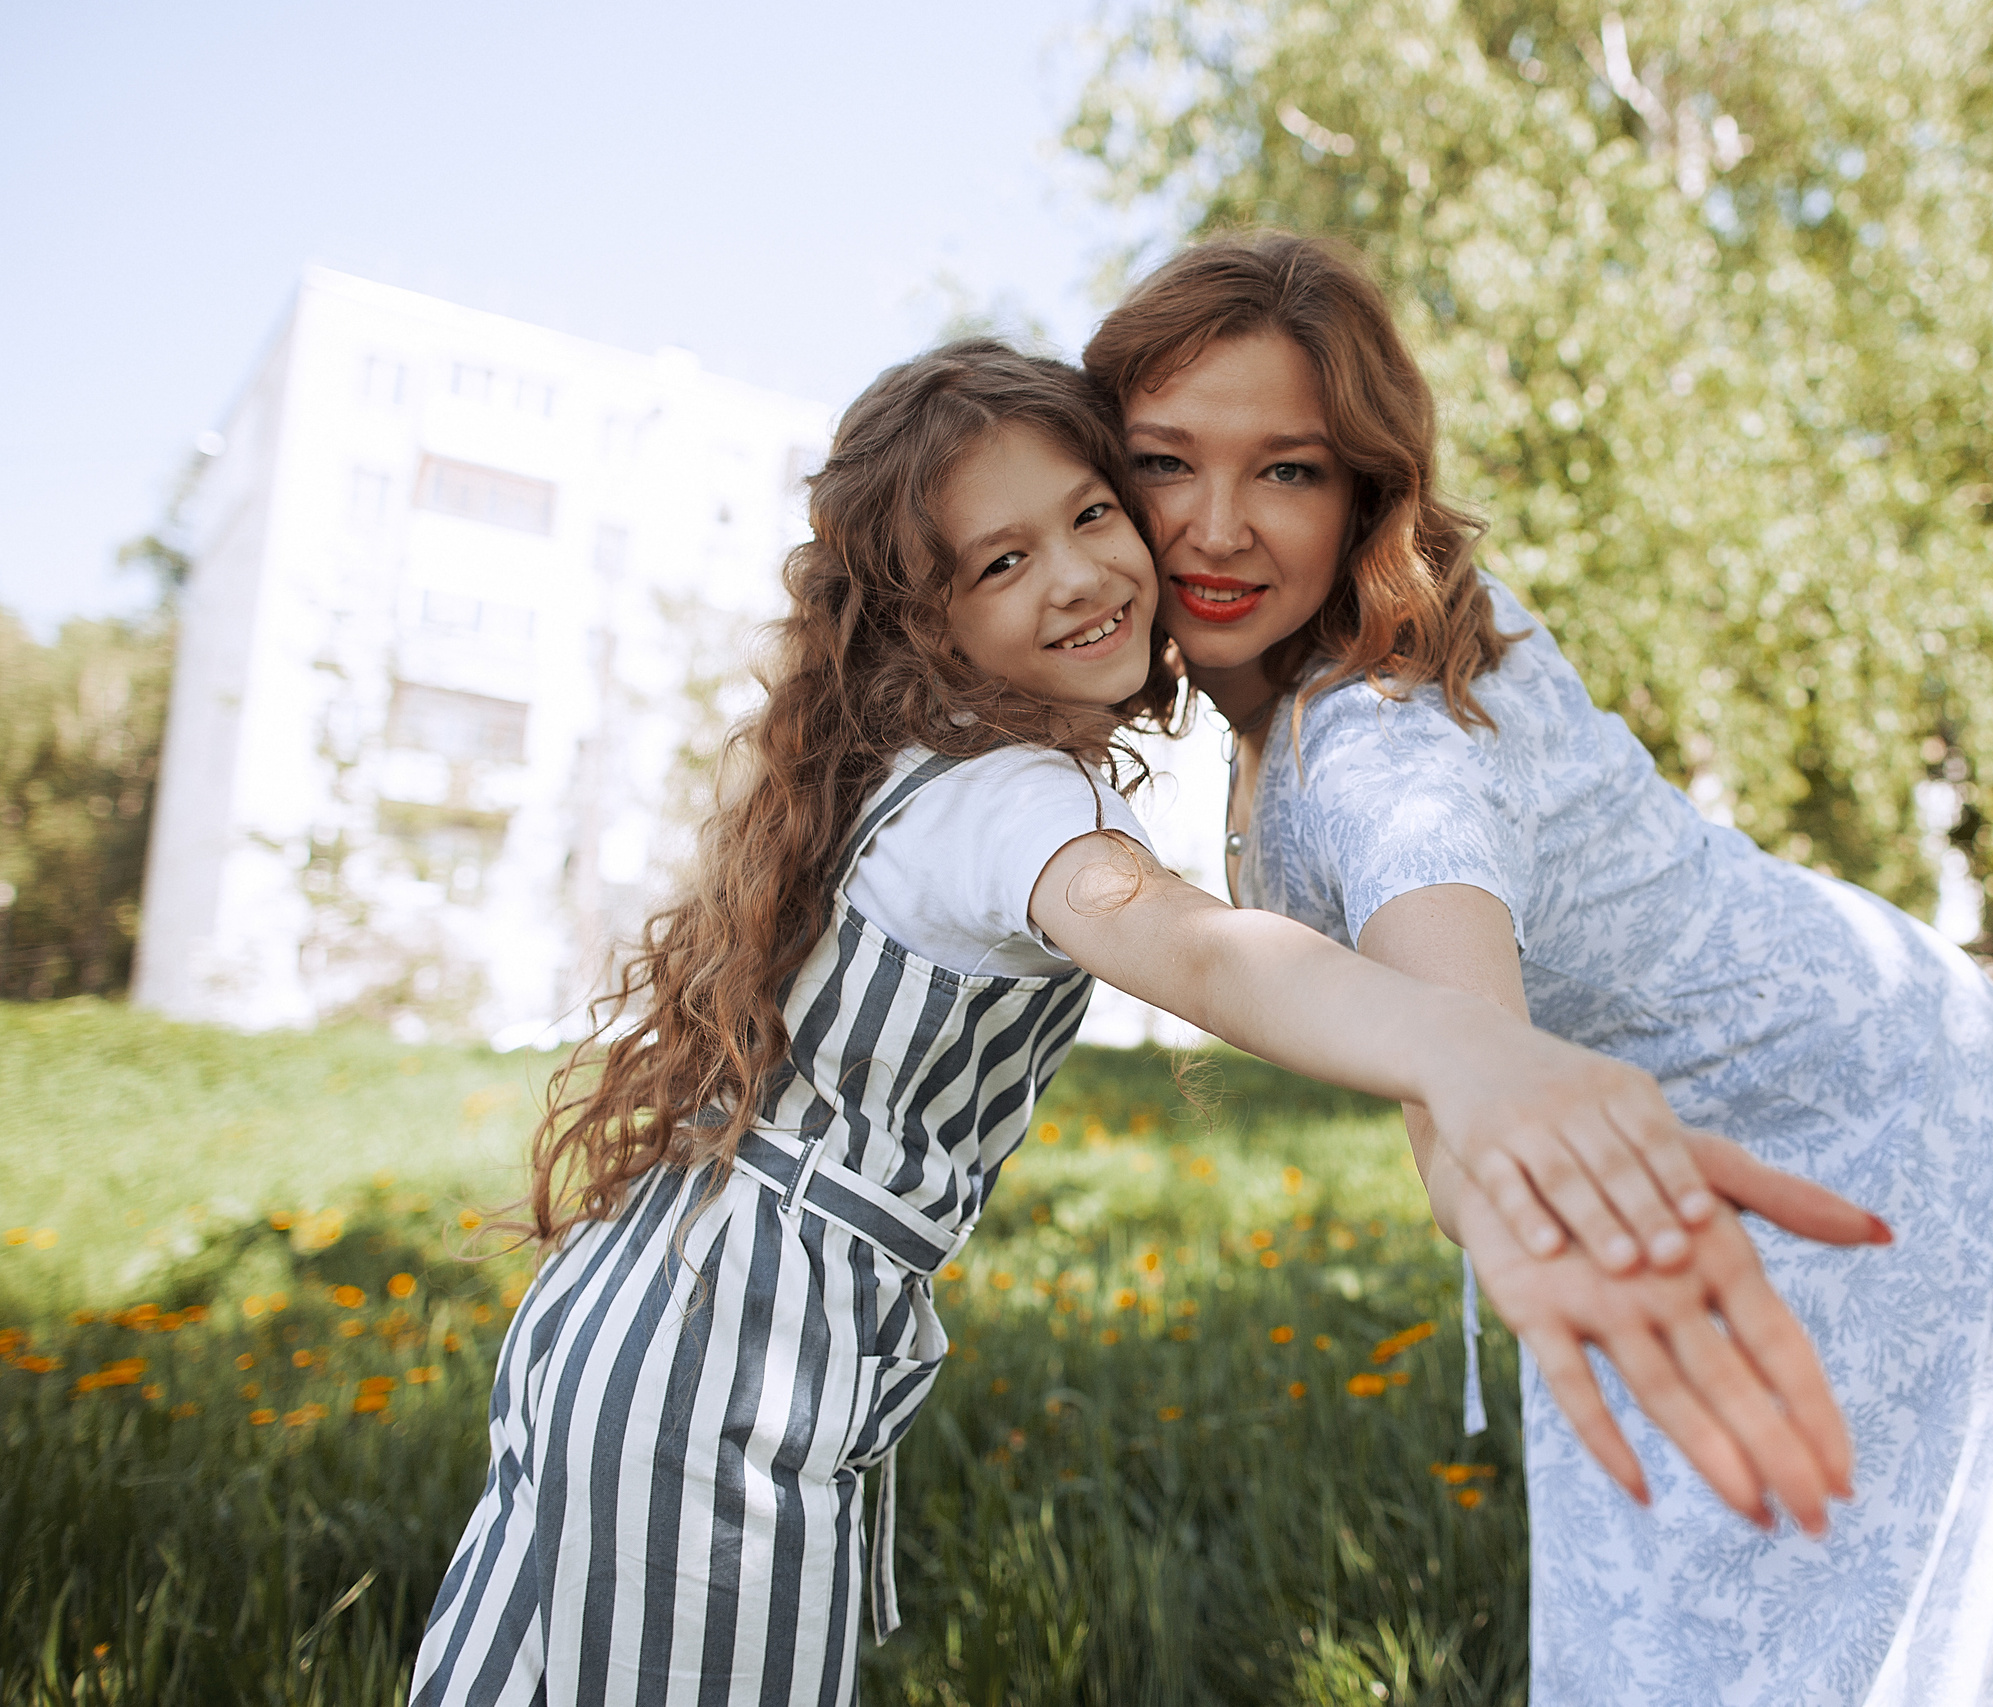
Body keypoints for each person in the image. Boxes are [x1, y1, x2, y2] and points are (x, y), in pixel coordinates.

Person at [408, 340, 1881, 1706]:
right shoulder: (1003, 802)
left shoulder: (932, 767)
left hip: (686, 1325)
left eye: (1092, 517)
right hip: (722, 1368)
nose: (1073, 577)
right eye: (1000, 560)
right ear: (923, 618)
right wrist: (1473, 1046)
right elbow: (1203, 952)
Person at [1085, 234, 1993, 1705]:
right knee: (1714, 1591)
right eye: (1163, 464)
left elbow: (1456, 1024)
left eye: (1289, 471)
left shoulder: (1379, 743)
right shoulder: (1341, 658)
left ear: (1364, 495)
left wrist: (1493, 1180)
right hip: (1715, 1102)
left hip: (1868, 1093)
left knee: (1807, 1610)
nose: (1217, 529)